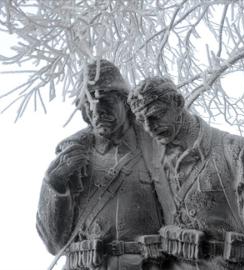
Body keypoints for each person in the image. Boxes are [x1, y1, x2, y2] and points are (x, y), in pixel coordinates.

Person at [128, 77, 244, 270]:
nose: (149, 127)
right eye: (142, 121)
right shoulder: (151, 163)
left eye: (156, 115)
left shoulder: (237, 151)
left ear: (178, 103)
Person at [36, 60, 165, 270]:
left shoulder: (156, 148)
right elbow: (54, 244)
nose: (97, 111)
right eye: (88, 104)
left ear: (125, 102)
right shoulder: (70, 158)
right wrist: (55, 185)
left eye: (105, 101)